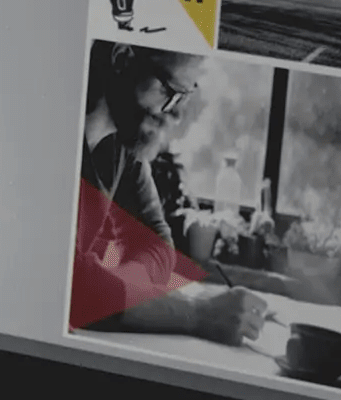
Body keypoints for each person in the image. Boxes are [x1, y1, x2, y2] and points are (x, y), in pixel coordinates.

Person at [76, 45, 266, 345]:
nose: (177, 114)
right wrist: (198, 312)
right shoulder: (50, 133)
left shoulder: (125, 149)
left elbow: (157, 246)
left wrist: (113, 291)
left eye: (185, 97)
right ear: (122, 60)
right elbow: (67, 286)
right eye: (169, 92)